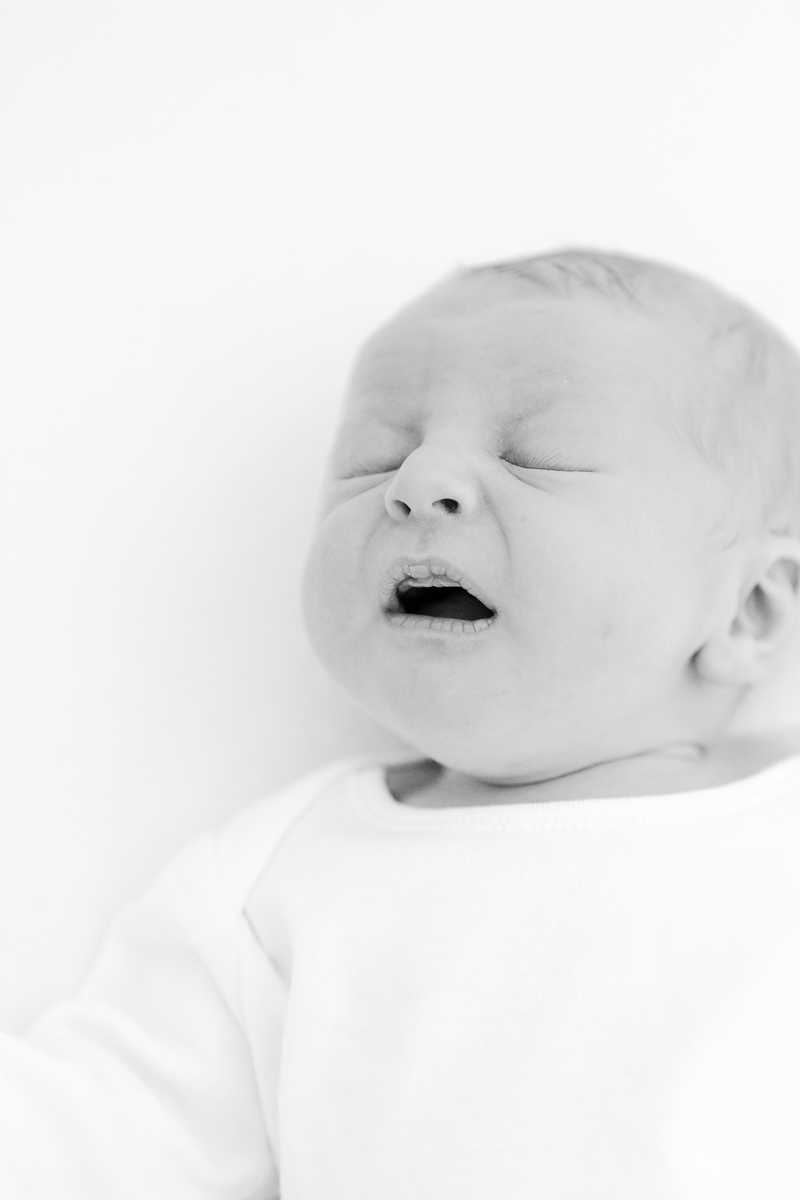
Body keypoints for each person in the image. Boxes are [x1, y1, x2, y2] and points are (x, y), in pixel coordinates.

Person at [4, 248, 800, 1198]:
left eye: (533, 455)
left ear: (748, 609)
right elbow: (101, 1137)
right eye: (374, 456)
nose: (417, 483)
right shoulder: (274, 880)